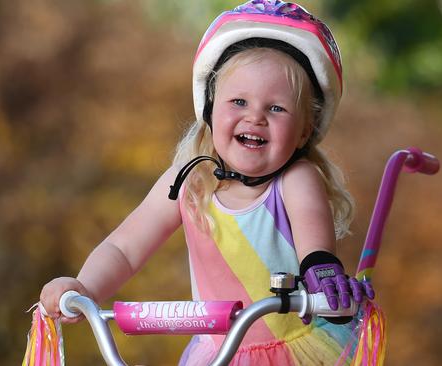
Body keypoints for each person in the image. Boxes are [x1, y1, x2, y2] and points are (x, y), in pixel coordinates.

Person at [40, 1, 374, 364]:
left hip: (292, 351)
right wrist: (85, 289)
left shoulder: (295, 179)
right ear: (211, 110)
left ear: (304, 130)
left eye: (276, 108)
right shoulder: (188, 181)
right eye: (239, 101)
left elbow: (316, 248)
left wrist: (323, 277)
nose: (255, 117)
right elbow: (124, 247)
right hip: (218, 353)